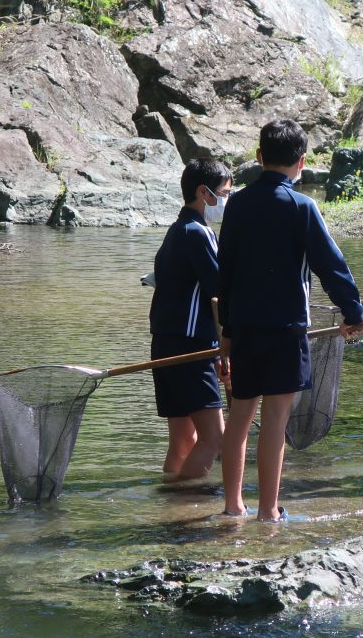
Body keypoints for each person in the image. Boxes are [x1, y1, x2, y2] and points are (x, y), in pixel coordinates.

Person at [217, 119, 363, 522]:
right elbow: (331, 266)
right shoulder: (302, 207)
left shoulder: (238, 205)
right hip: (286, 329)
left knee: (239, 419)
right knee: (275, 422)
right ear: (301, 163)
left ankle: (232, 506)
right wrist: (353, 313)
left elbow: (224, 274)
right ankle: (268, 511)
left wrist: (225, 335)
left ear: (260, 157)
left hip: (244, 327)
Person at [149, 159, 232, 482]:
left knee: (183, 441)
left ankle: (169, 506)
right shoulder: (199, 234)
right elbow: (220, 295)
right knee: (216, 438)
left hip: (164, 345)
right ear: (204, 192)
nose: (226, 200)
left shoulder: (175, 231)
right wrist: (227, 346)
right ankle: (184, 508)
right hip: (191, 349)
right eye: (224, 193)